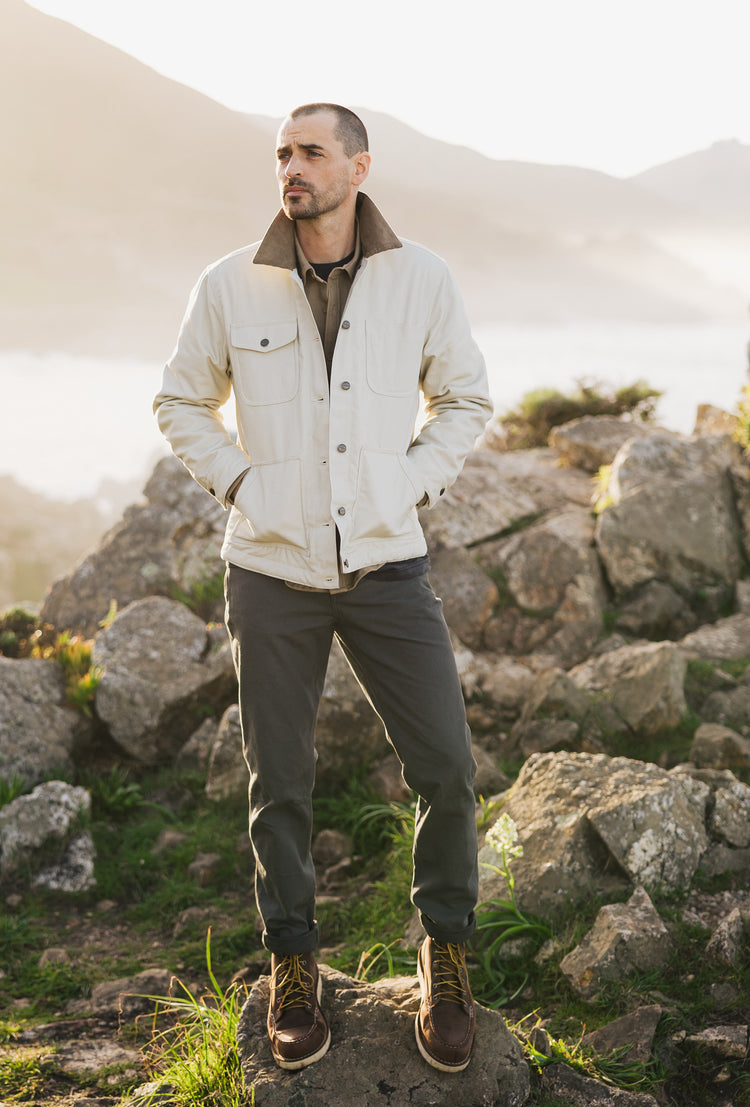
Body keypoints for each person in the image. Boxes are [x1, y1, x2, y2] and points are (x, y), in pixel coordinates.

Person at [154, 103, 493, 1074]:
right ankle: (293, 963)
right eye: (280, 155)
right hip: (269, 569)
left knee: (446, 769)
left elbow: (464, 396)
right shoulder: (229, 284)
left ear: (358, 164)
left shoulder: (420, 277)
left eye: (309, 153)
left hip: (390, 563)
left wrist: (408, 482)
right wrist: (243, 483)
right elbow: (179, 398)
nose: (290, 169)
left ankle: (446, 950)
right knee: (280, 782)